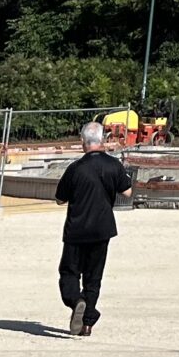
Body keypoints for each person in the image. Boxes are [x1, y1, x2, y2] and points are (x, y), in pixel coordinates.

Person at [53, 120, 134, 337]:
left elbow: (60, 199)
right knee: (93, 277)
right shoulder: (113, 165)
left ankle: (76, 300)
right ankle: (87, 323)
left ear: (83, 143)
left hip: (77, 229)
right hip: (102, 229)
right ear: (103, 141)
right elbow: (127, 192)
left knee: (69, 273)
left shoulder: (75, 168)